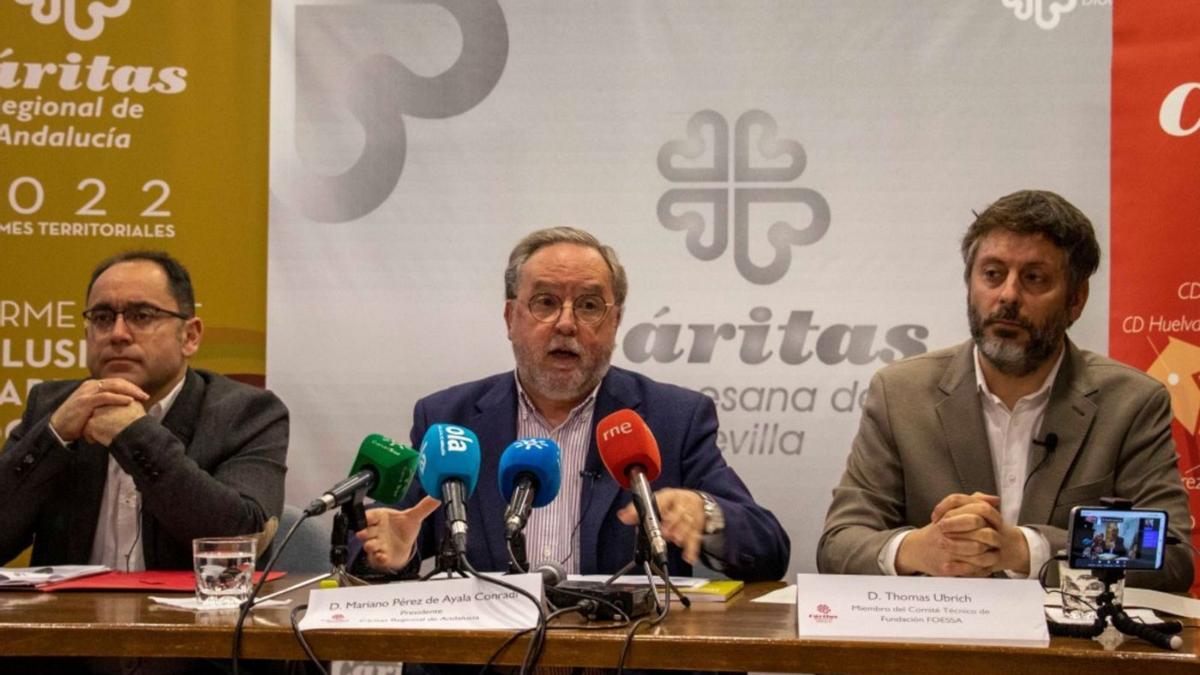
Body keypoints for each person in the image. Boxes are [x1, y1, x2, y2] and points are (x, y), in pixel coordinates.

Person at [356, 227, 789, 581]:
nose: (566, 323)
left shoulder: (672, 418)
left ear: (616, 321)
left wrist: (706, 514)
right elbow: (385, 547)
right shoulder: (450, 419)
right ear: (511, 318)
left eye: (588, 306)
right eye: (545, 302)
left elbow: (769, 550)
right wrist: (397, 554)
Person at [817, 190, 1192, 591]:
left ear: (1076, 300)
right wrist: (917, 548)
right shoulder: (900, 394)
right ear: (969, 285)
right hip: (940, 645)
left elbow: (1170, 556)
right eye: (992, 274)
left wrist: (1026, 549)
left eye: (1034, 278)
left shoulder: (1130, 403)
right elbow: (839, 543)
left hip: (1067, 648)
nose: (1008, 296)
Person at [0, 250, 288, 572]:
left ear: (190, 337)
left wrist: (135, 435)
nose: (118, 334)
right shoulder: (52, 409)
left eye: (142, 316)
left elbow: (240, 543)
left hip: (194, 620)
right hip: (71, 620)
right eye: (102, 318)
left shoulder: (248, 413)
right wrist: (52, 437)